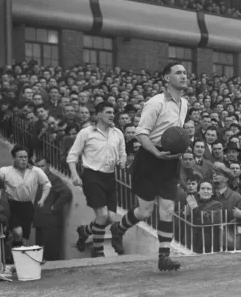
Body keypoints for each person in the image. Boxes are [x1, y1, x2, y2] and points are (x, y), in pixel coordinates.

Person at [110, 62, 188, 271]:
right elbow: (141, 132)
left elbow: (176, 135)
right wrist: (155, 151)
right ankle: (118, 228)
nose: (183, 76)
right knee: (145, 211)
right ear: (166, 78)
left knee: (168, 209)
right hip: (150, 158)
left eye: (185, 73)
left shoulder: (184, 103)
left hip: (170, 160)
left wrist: (180, 148)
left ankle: (164, 257)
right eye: (178, 73)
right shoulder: (155, 103)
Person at [67, 101, 126, 257]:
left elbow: (122, 153)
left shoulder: (118, 133)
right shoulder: (86, 133)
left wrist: (123, 161)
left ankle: (84, 231)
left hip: (110, 176)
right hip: (92, 175)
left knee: (111, 217)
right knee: (102, 216)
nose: (112, 115)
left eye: (113, 113)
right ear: (99, 115)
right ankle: (98, 252)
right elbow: (72, 155)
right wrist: (74, 174)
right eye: (108, 112)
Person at [0, 145, 52, 246]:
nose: (23, 160)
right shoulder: (4, 171)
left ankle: (16, 255)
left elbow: (47, 184)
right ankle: (12, 248)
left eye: (25, 157)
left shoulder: (35, 171)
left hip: (27, 206)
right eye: (20, 157)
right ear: (14, 158)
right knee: (18, 232)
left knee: (25, 236)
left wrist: (42, 199)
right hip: (10, 205)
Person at [34, 156, 72, 260]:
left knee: (50, 253)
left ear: (48, 166)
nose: (40, 169)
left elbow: (66, 193)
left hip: (51, 221)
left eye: (42, 166)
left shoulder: (53, 179)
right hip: (40, 220)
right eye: (38, 167)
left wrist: (55, 207)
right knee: (40, 252)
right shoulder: (38, 179)